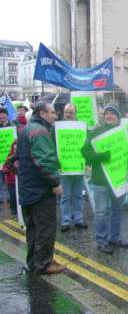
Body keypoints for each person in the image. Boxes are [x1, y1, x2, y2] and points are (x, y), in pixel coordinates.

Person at [17, 101, 66, 274]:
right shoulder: (39, 130)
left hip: (27, 189)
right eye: (52, 112)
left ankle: (34, 262)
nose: (55, 115)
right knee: (45, 228)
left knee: (32, 229)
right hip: (40, 191)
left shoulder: (27, 129)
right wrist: (55, 183)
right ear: (43, 114)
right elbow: (44, 162)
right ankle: (44, 264)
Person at [81, 104, 128, 254]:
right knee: (101, 212)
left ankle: (114, 237)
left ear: (118, 117)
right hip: (100, 181)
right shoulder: (95, 133)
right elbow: (85, 153)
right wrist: (101, 156)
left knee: (117, 210)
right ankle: (101, 240)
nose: (109, 115)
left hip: (119, 180)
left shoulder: (124, 133)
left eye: (113, 113)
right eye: (107, 113)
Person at [60, 103, 88, 233]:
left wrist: (87, 162)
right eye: (67, 112)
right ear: (63, 113)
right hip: (65, 168)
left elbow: (86, 145)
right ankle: (65, 221)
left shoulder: (82, 127)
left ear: (76, 113)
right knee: (65, 196)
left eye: (71, 112)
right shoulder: (58, 128)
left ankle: (78, 220)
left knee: (78, 195)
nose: (69, 114)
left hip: (78, 167)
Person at [0, 107, 12, 206]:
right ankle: (0, 197)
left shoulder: (12, 126)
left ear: (7, 115)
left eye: (3, 114)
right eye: (0, 115)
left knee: (8, 179)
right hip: (0, 157)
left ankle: (8, 197)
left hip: (9, 157)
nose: (2, 116)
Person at [2, 141, 18, 215]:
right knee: (13, 196)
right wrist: (10, 168)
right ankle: (14, 211)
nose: (15, 150)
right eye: (14, 149)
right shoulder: (9, 158)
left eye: (17, 149)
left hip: (20, 181)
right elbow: (4, 168)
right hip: (11, 181)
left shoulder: (23, 157)